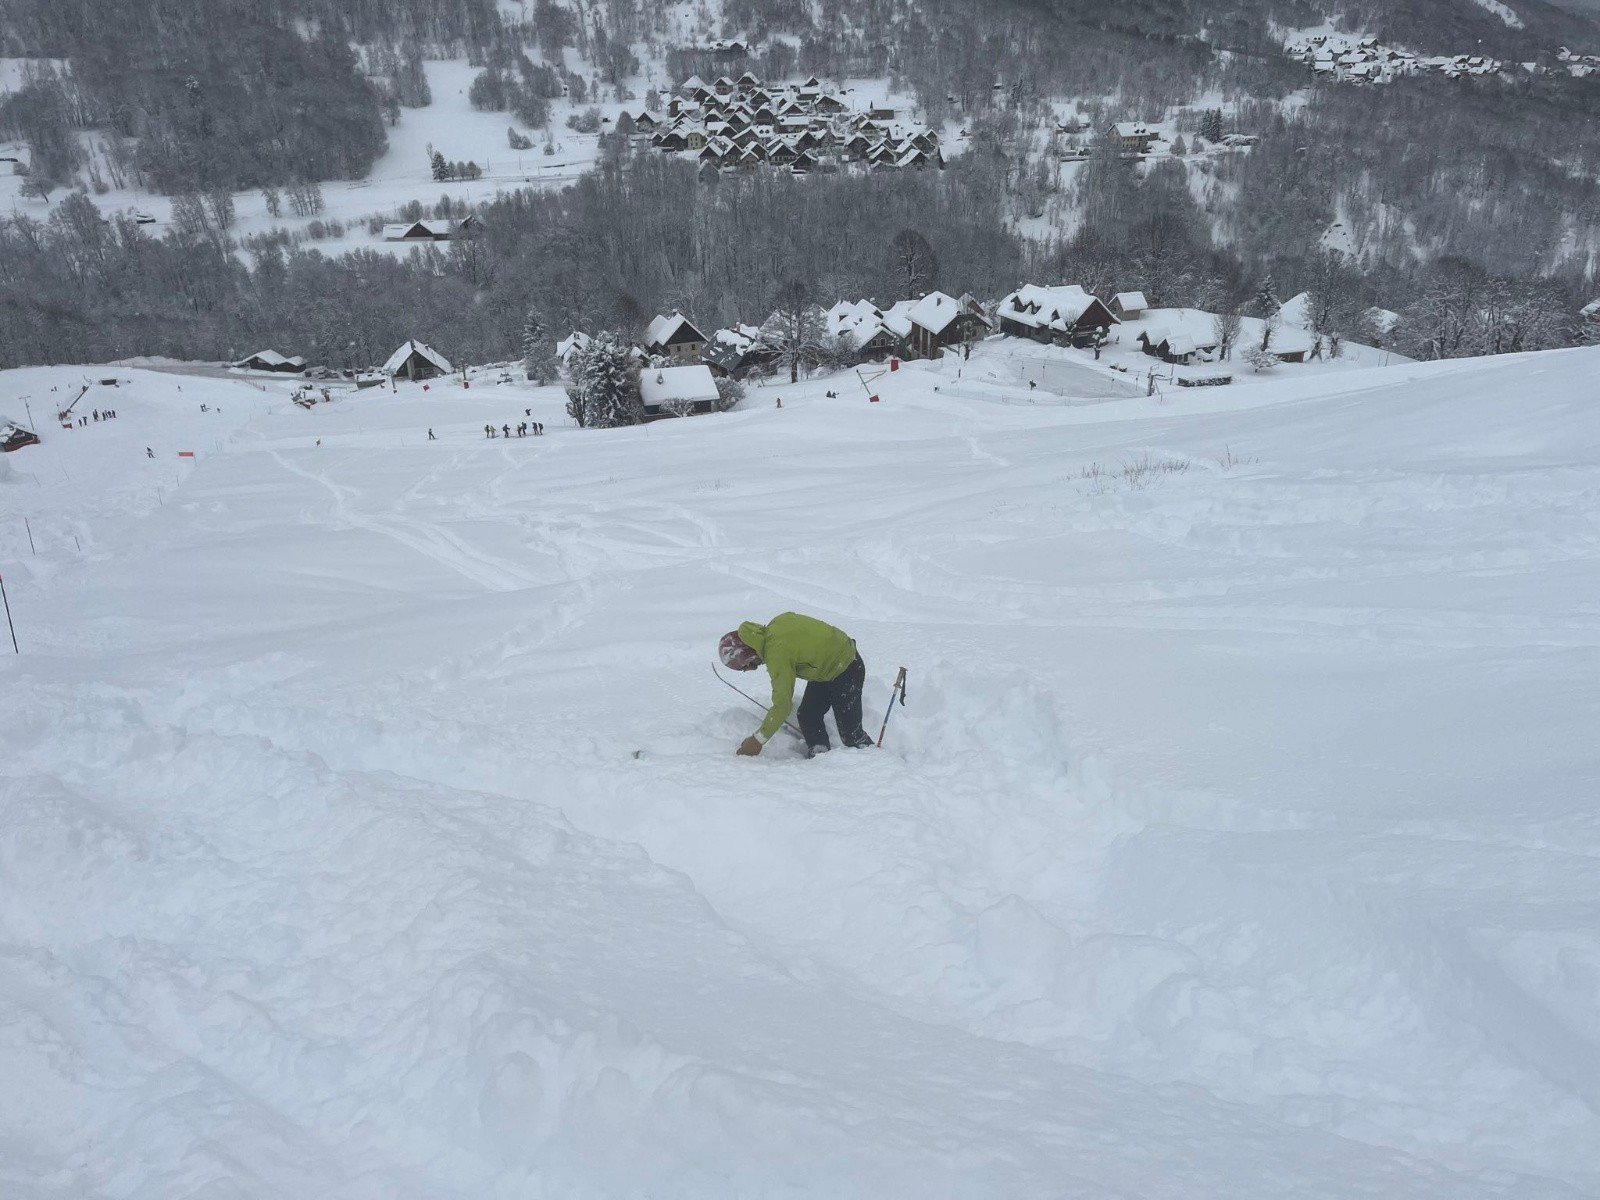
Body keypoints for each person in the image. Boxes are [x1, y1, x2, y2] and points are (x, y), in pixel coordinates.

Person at [720, 613, 875, 758]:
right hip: (827, 667)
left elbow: (782, 706)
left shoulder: (777, 653)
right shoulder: (777, 624)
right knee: (808, 715)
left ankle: (878, 762)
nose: (751, 669)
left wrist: (757, 741)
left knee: (851, 735)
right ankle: (821, 756)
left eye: (747, 666)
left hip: (847, 667)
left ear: (748, 654)